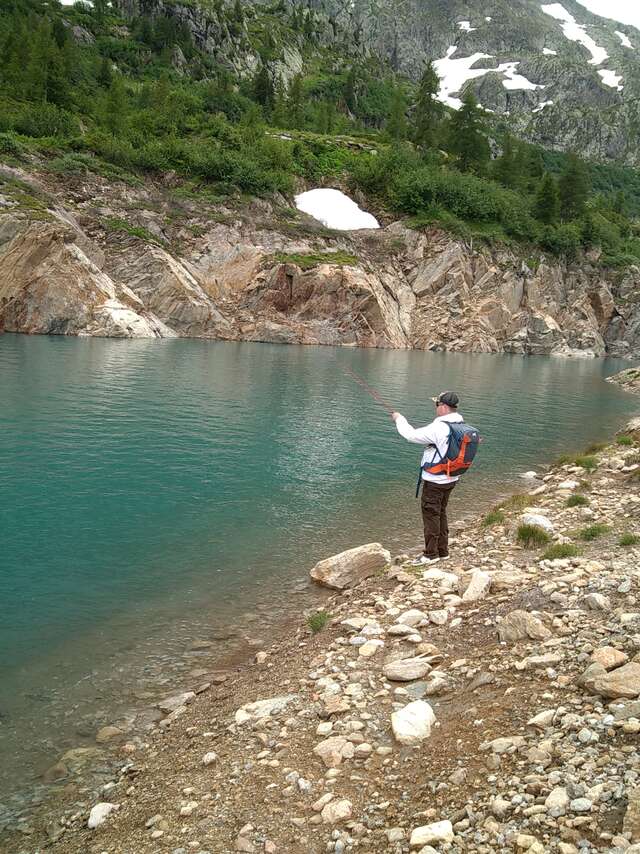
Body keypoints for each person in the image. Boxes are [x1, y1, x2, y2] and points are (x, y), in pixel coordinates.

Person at [392, 392, 463, 566]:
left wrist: (399, 419)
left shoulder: (440, 427)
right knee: (441, 512)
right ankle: (443, 551)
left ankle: (431, 554)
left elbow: (411, 435)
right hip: (451, 478)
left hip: (435, 480)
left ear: (443, 407)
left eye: (437, 404)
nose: (436, 408)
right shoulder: (461, 424)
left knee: (431, 515)